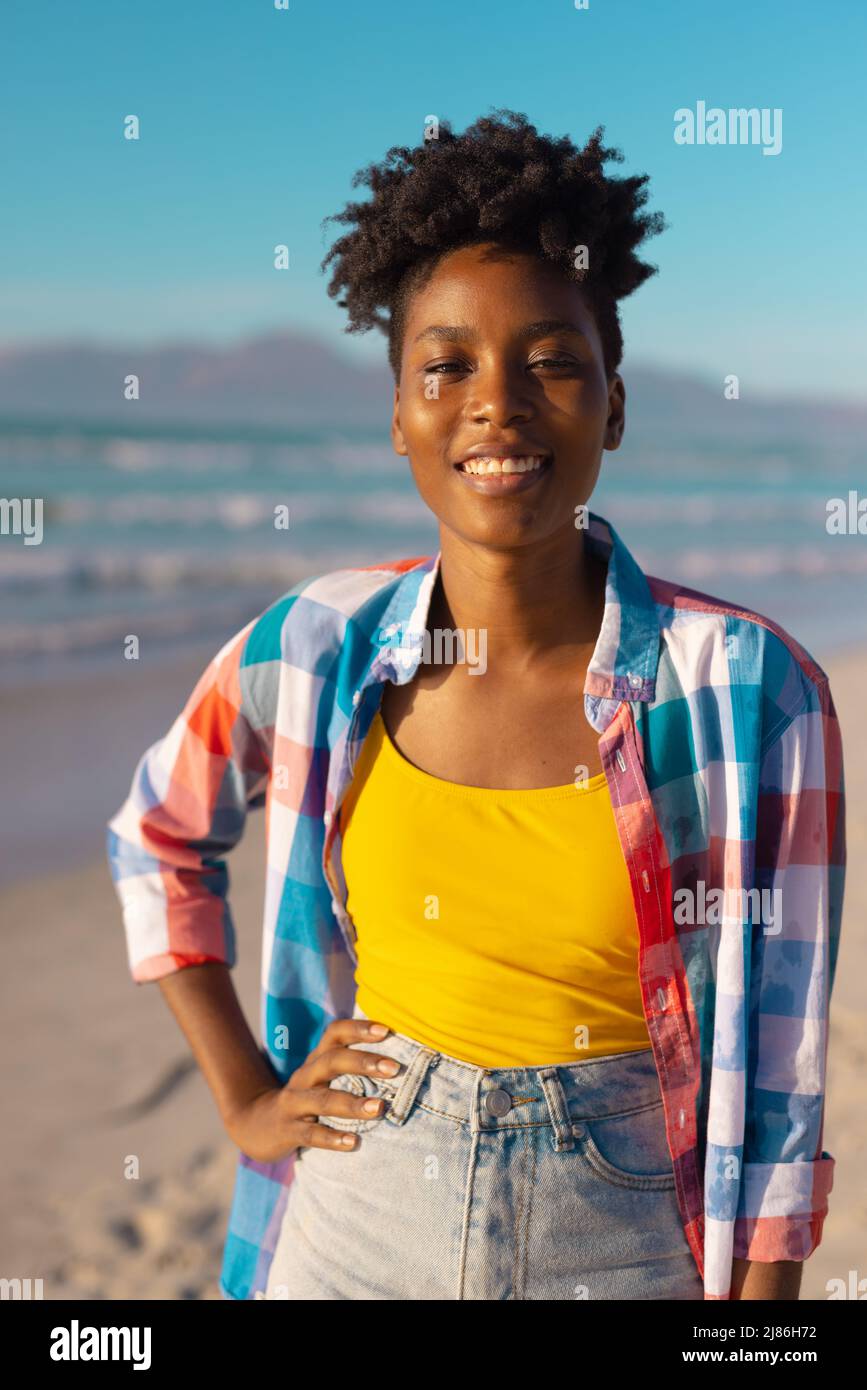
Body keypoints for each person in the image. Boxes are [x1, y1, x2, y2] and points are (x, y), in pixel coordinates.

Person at [106, 110, 845, 1301]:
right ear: (400, 413)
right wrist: (245, 1095)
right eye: (445, 366)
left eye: (551, 360)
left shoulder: (752, 691)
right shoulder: (316, 647)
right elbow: (156, 832)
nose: (495, 403)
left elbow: (779, 1072)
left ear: (612, 405)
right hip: (355, 1213)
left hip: (624, 1234)